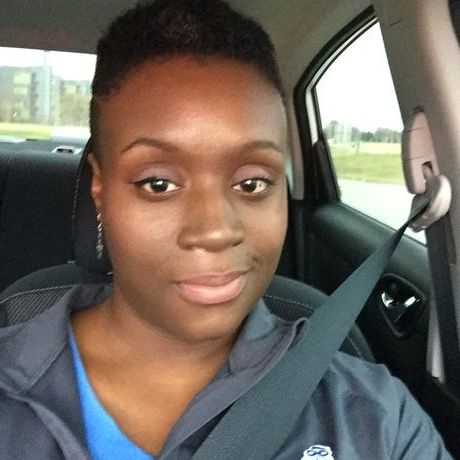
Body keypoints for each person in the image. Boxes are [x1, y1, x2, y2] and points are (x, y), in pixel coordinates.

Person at [0, 0, 453, 458]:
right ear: (100, 189)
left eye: (252, 183)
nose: (215, 231)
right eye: (158, 184)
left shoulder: (377, 421)